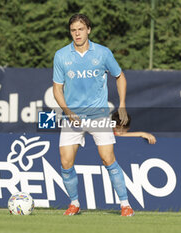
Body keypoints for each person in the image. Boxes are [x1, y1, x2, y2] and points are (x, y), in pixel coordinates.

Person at [52, 14, 134, 216]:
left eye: (80, 29)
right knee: (65, 162)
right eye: (73, 30)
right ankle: (74, 203)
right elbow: (57, 89)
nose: (77, 34)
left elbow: (120, 76)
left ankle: (125, 205)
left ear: (88, 29)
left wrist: (122, 104)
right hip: (73, 117)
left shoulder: (103, 53)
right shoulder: (61, 55)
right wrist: (68, 112)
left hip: (98, 115)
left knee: (107, 158)